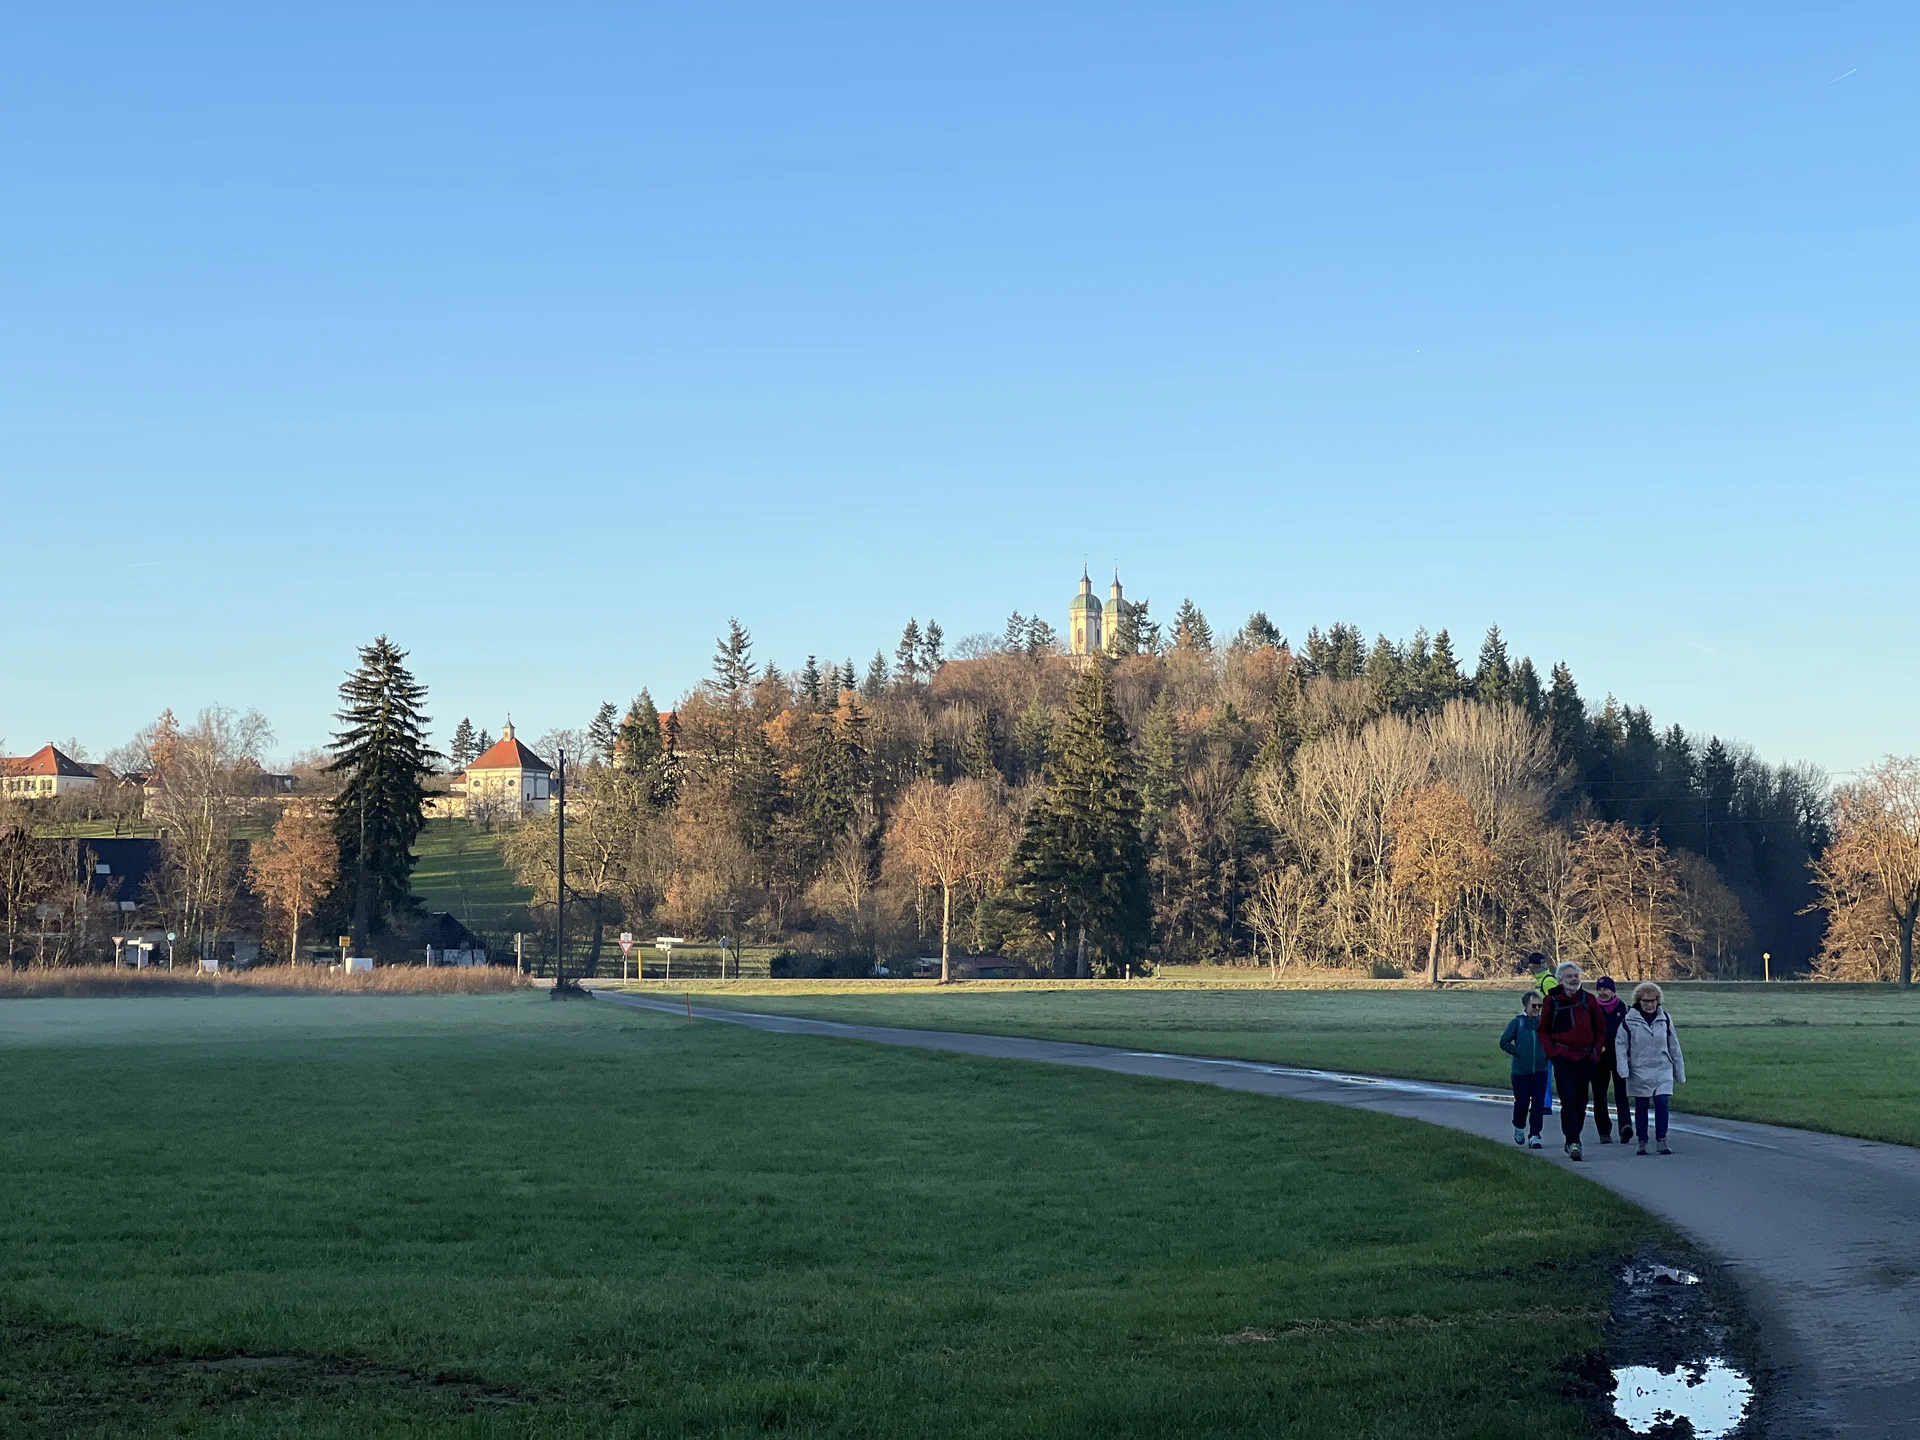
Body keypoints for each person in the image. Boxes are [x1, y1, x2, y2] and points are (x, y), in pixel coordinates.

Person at [1538, 961, 1608, 1160]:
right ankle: (1573, 1141)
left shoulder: (1589, 1000)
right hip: (1562, 1057)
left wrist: (1596, 1051)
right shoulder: (1551, 1001)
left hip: (1586, 1057)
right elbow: (1543, 1031)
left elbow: (1600, 1029)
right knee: (1568, 1100)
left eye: (1576, 976)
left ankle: (1573, 1137)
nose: (1574, 979)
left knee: (1582, 1101)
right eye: (1569, 976)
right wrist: (1552, 1053)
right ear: (1560, 980)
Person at [1617, 981, 1686, 1155]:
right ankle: (1642, 1140)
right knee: (1642, 1105)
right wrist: (1623, 1070)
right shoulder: (1628, 1021)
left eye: (1653, 1000)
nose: (1650, 1004)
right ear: (1638, 1001)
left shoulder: (1665, 1019)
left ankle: (1661, 1139)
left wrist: (1679, 1072)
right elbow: (1621, 1046)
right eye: (1646, 1001)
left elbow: (1674, 1046)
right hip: (1639, 1069)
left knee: (1662, 1102)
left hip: (1662, 1068)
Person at [1499, 990, 1550, 1149]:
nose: (1537, 1009)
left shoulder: (1544, 1023)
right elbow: (1504, 1042)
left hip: (1541, 1070)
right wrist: (1518, 1052)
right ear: (1525, 1005)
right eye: (1534, 1006)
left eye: (1540, 1006)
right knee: (1522, 1103)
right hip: (1521, 1071)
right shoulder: (1517, 1023)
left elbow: (1552, 1040)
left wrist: (1547, 1054)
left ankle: (1535, 1135)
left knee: (1538, 1104)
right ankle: (1519, 1126)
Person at [1591, 977, 1632, 1145]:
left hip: (1619, 1056)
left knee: (1622, 1092)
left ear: (1613, 991)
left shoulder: (1625, 1009)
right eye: (1600, 989)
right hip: (1598, 1057)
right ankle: (1604, 1131)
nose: (1602, 992)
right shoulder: (1592, 1009)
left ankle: (1625, 1126)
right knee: (1599, 1095)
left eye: (1606, 989)